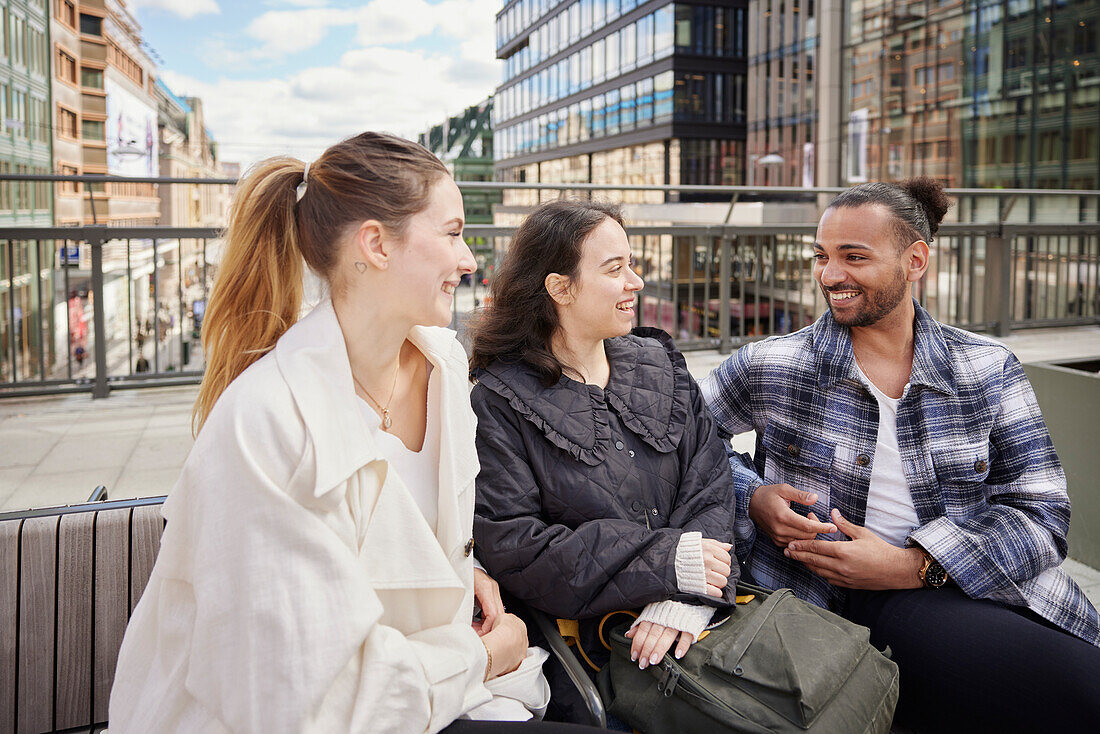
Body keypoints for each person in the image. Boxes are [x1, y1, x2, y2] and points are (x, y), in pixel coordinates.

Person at [108, 133, 597, 734]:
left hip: (422, 697)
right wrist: (482, 656)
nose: (470, 259)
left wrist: (453, 571)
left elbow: (394, 530)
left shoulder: (444, 366)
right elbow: (307, 703)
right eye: (451, 233)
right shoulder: (265, 425)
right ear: (375, 244)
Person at [701, 177, 1100, 732]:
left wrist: (916, 565)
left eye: (854, 257)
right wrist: (754, 496)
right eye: (822, 256)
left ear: (915, 260)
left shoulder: (986, 368)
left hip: (962, 587)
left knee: (1080, 687)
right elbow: (689, 443)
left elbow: (1043, 515)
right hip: (814, 603)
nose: (830, 275)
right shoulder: (774, 363)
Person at [468, 201, 739, 718]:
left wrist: (685, 598)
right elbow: (516, 547)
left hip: (697, 619)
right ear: (560, 288)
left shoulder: (659, 364)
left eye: (632, 264)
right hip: (590, 650)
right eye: (615, 269)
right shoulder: (500, 401)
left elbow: (710, 484)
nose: (635, 281)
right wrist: (668, 564)